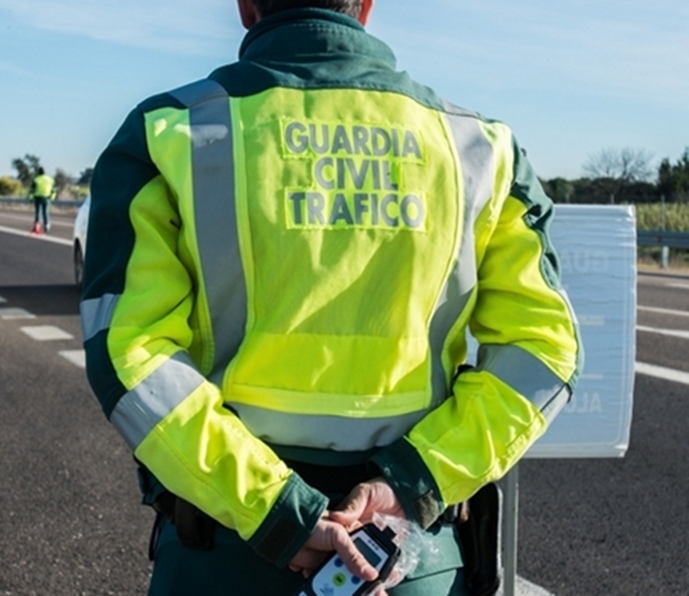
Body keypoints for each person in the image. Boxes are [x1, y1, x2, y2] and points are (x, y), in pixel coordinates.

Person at [79, 1, 582, 595]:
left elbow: (129, 353)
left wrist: (278, 510)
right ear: (367, 6)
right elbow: (542, 353)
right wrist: (413, 483)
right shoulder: (480, 148)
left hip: (229, 558)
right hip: (404, 557)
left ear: (246, 5)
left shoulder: (169, 131)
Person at [30, 167, 57, 234]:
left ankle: (37, 227)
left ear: (39, 172)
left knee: (38, 212)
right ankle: (47, 226)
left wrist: (31, 198)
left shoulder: (36, 179)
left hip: (38, 197)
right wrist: (52, 197)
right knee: (46, 212)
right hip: (47, 198)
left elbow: (32, 190)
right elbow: (54, 189)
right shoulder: (50, 179)